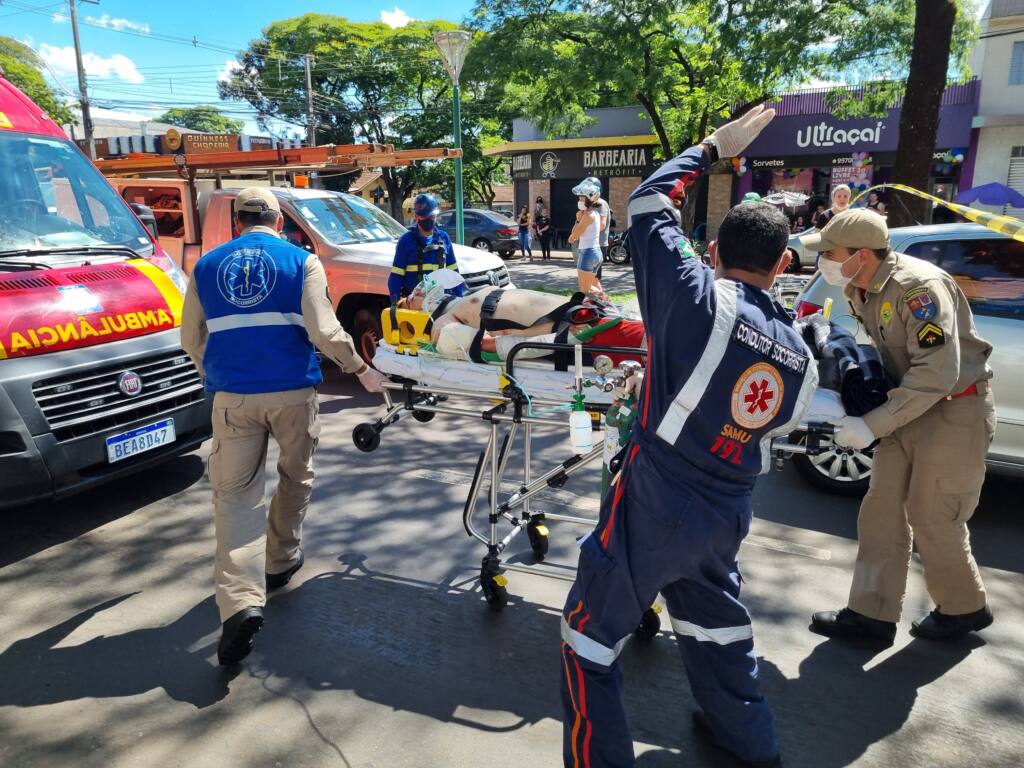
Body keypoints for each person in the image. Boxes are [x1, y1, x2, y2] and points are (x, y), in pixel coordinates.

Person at [559, 105, 817, 768]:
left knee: (588, 641)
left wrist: (710, 149)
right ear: (783, 262)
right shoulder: (799, 355)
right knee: (717, 630)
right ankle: (752, 744)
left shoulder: (694, 296)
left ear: (712, 252)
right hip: (727, 512)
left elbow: (648, 201)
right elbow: (769, 421)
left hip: (655, 498)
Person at [180, 188, 386, 666]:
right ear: (278, 223)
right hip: (293, 394)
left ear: (237, 223)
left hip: (233, 398)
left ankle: (240, 604)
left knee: (235, 497)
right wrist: (361, 369)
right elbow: (324, 331)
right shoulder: (301, 262)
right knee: (296, 475)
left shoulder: (207, 267)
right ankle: (280, 560)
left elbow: (192, 337)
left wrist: (217, 377)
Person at [802, 210, 995, 644]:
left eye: (829, 254)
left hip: (953, 410)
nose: (822, 262)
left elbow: (937, 373)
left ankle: (964, 608)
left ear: (863, 255)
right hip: (907, 405)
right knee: (881, 512)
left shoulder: (919, 290)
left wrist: (872, 425)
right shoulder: (862, 286)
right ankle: (870, 615)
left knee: (933, 515)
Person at [388, 193, 462, 304]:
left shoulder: (444, 238)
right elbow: (396, 276)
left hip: (439, 303)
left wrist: (458, 300)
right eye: (424, 217)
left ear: (436, 216)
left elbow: (454, 273)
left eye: (431, 216)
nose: (428, 219)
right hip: (414, 303)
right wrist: (396, 303)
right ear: (416, 216)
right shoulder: (406, 241)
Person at [568, 179, 604, 294]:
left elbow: (574, 236)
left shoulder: (588, 216)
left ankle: (598, 308)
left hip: (587, 253)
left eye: (581, 198)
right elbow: (575, 235)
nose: (579, 200)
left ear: (590, 198)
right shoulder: (595, 214)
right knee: (594, 286)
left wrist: (578, 220)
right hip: (596, 252)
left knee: (585, 290)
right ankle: (606, 307)